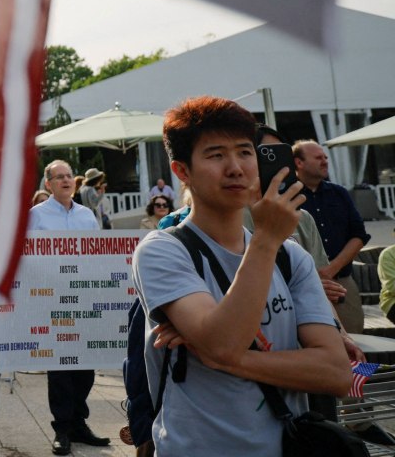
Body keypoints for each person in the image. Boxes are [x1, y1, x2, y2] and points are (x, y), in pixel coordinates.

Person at [132, 97, 351, 456]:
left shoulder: (290, 257)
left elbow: (336, 373)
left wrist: (221, 358)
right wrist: (265, 239)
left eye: (245, 152)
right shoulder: (163, 250)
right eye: (216, 155)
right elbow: (224, 343)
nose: (235, 168)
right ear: (182, 171)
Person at [28, 160, 112, 455]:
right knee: (61, 366)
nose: (66, 181)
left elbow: (98, 253)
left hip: (83, 296)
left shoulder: (86, 215)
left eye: (68, 176)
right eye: (59, 177)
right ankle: (62, 428)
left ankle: (79, 423)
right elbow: (25, 256)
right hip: (52, 298)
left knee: (85, 365)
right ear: (48, 184)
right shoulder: (36, 216)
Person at [294, 139, 371, 333]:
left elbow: (359, 235)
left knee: (353, 337)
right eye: (318, 157)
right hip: (300, 286)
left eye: (325, 157)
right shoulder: (287, 196)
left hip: (341, 282)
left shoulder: (339, 193)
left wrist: (331, 269)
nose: (325, 161)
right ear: (298, 162)